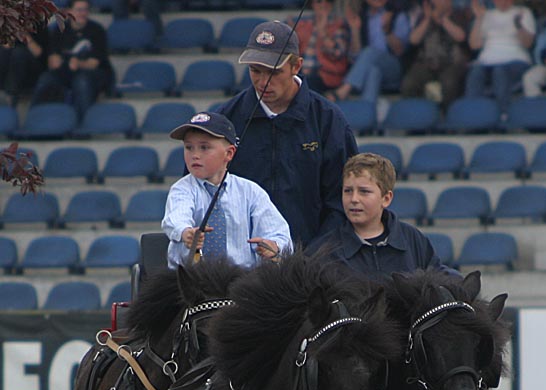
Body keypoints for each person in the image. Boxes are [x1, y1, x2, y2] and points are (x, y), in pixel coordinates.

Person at [215, 20, 358, 248]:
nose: (263, 82)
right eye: (255, 70)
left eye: (274, 72)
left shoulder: (329, 121)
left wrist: (311, 258)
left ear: (297, 66)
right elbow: (199, 192)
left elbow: (343, 202)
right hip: (238, 265)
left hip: (312, 267)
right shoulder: (226, 121)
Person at [162, 111, 292, 271]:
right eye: (189, 148)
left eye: (204, 147)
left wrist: (274, 247)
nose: (195, 155)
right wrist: (185, 232)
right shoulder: (182, 189)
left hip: (242, 281)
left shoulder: (250, 191)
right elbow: (176, 217)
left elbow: (279, 233)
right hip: (190, 280)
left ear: (229, 153)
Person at [306, 152, 454, 280]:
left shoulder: (413, 240)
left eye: (364, 191)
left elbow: (438, 277)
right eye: (348, 191)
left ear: (386, 198)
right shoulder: (323, 251)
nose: (354, 199)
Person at [31, 0, 114, 119]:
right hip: (66, 71)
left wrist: (79, 64)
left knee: (81, 81)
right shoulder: (59, 30)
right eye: (79, 10)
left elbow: (94, 63)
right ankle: (35, 119)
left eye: (85, 10)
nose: (83, 13)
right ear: (69, 11)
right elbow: (52, 58)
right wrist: (55, 62)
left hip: (94, 73)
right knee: (46, 79)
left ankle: (85, 122)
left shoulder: (97, 30)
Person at [332, 0, 414, 102]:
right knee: (373, 71)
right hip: (370, 68)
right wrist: (355, 29)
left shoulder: (397, 15)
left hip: (394, 69)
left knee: (370, 52)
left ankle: (344, 90)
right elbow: (355, 57)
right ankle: (366, 112)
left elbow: (400, 51)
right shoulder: (362, 16)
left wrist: (387, 30)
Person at [465, 0, 536, 117]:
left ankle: (503, 113)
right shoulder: (486, 15)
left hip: (516, 60)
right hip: (487, 61)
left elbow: (527, 43)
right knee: (475, 73)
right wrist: (479, 19)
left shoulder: (523, 13)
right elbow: (474, 45)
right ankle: (472, 115)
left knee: (500, 71)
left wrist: (518, 25)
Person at [400, 0, 471, 110]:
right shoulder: (424, 17)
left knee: (449, 83)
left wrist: (443, 20)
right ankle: (416, 117)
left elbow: (461, 36)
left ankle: (449, 117)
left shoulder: (460, 14)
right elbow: (413, 40)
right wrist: (428, 19)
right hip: (427, 62)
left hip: (452, 62)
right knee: (409, 83)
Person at [287, 0, 353, 95]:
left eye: (327, 1)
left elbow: (338, 53)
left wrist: (322, 33)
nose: (323, 4)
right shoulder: (304, 24)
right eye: (319, 1)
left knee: (306, 84)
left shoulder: (339, 25)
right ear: (312, 4)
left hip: (326, 75)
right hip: (302, 71)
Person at [0, 25, 50, 106]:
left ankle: (11, 96)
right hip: (10, 66)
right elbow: (5, 47)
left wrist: (25, 36)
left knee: (19, 53)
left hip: (34, 66)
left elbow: (39, 54)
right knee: (3, 53)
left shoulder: (39, 26)